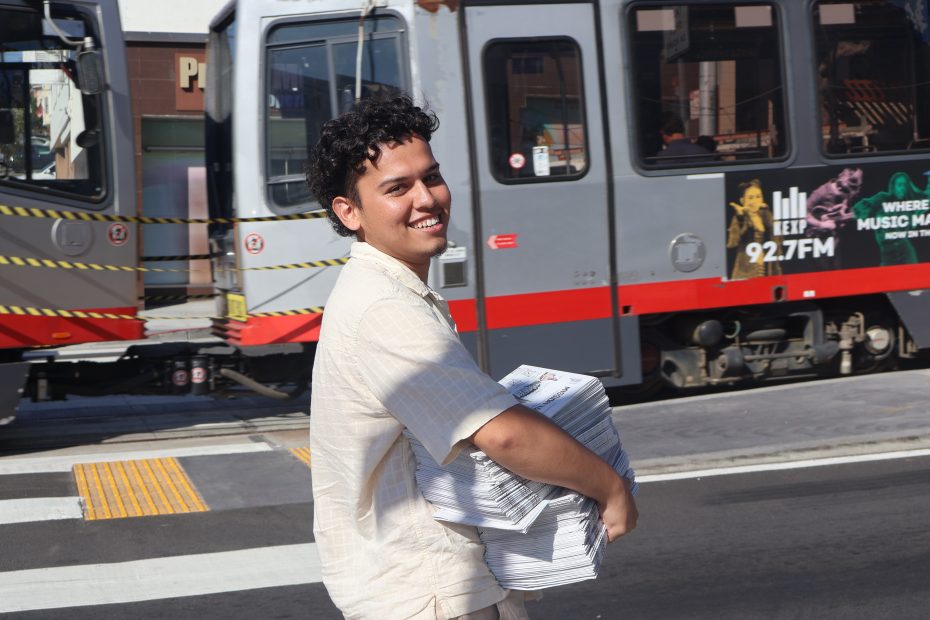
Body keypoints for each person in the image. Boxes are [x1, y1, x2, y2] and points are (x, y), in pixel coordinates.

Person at [306, 95, 638, 620]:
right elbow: (501, 433)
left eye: (430, 177)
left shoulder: (382, 289)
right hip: (430, 592)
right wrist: (609, 486)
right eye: (397, 188)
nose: (427, 199)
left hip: (430, 583)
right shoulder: (383, 308)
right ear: (349, 213)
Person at [726, 179, 782, 280]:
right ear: (743, 201)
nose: (755, 201)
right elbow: (732, 243)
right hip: (746, 273)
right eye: (750, 198)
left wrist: (769, 217)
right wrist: (740, 218)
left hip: (767, 270)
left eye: (758, 196)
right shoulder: (740, 217)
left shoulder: (766, 215)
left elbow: (779, 239)